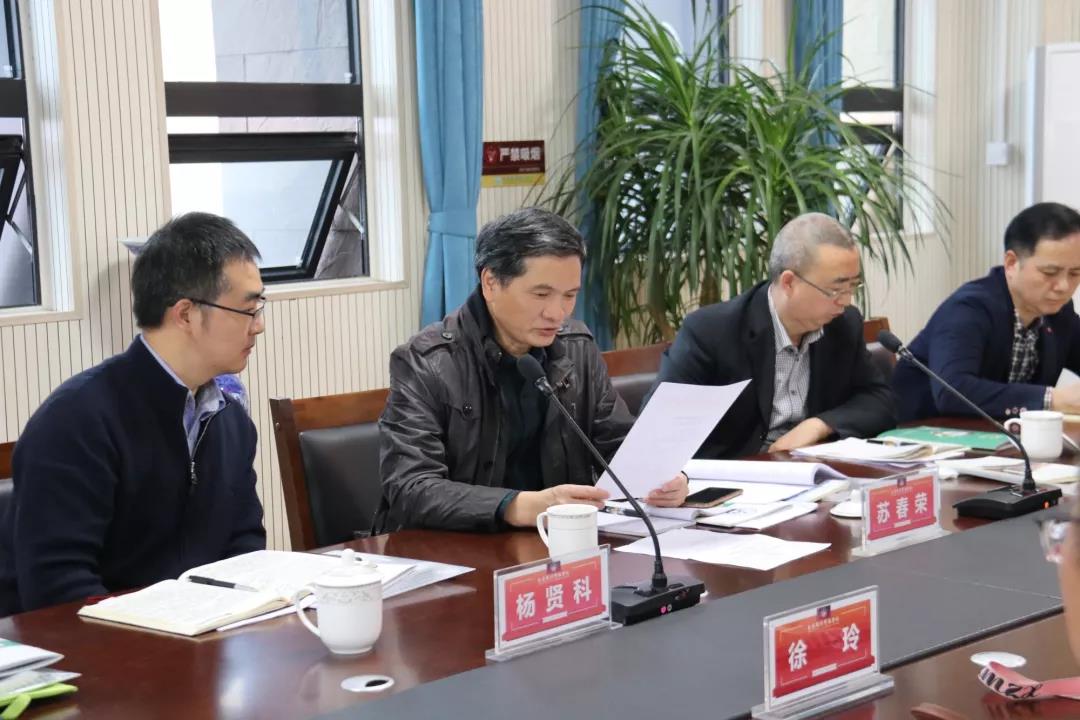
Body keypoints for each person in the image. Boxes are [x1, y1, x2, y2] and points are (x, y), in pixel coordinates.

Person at [0, 212, 267, 615]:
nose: (258, 326)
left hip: (196, 636)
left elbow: (245, 548)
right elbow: (58, 588)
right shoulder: (76, 421)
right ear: (186, 314)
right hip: (87, 644)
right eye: (248, 310)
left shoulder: (230, 420)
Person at [377, 207, 688, 532]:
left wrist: (667, 479)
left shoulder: (577, 347)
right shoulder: (425, 361)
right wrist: (517, 505)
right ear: (491, 283)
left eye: (569, 296)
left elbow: (618, 444)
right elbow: (410, 487)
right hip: (455, 544)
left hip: (559, 539)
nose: (557, 313)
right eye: (541, 294)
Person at [645, 212, 895, 458]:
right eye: (835, 290)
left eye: (852, 286)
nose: (846, 301)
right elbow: (655, 429)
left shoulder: (843, 324)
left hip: (809, 471)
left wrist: (819, 425)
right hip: (736, 474)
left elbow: (879, 400)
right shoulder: (711, 332)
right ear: (789, 283)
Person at [893, 202, 1080, 421]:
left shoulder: (1058, 312)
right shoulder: (969, 308)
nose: (1063, 286)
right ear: (1011, 263)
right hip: (924, 432)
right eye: (1050, 272)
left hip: (1002, 436)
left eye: (1075, 273)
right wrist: (1051, 399)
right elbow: (953, 392)